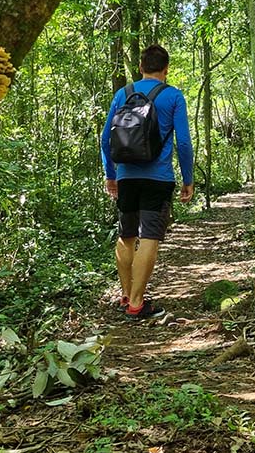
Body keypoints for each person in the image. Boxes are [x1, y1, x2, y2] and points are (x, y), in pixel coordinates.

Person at [101, 45, 193, 320]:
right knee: (149, 236)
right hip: (158, 178)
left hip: (127, 177)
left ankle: (127, 295)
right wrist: (188, 179)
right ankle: (137, 304)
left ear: (140, 67)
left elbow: (106, 139)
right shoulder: (173, 96)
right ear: (166, 69)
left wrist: (111, 173)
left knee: (126, 235)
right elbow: (184, 143)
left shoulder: (123, 94)